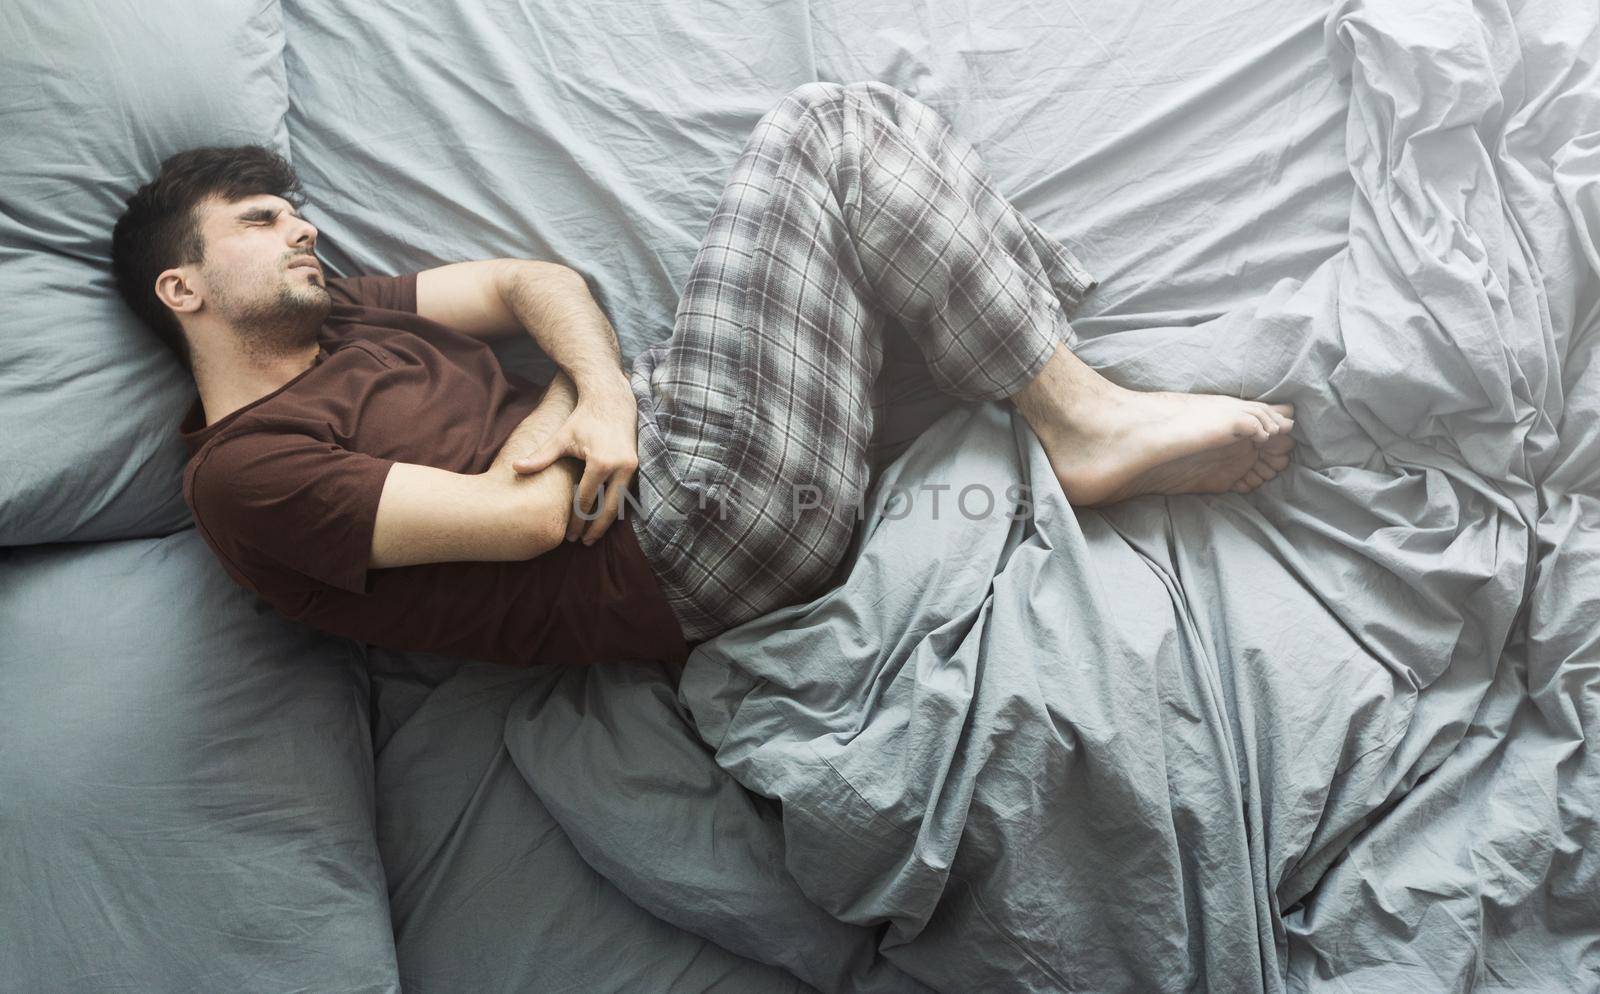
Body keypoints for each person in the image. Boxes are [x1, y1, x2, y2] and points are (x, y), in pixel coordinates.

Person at [110, 81, 1295, 668]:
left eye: (298, 212)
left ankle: (1054, 387)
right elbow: (531, 518)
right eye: (264, 221)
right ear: (185, 288)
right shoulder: (247, 475)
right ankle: (1078, 415)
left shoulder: (347, 322)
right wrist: (593, 408)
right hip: (668, 538)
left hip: (671, 440)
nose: (304, 230)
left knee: (859, 157)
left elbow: (539, 283)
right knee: (829, 132)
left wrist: (598, 393)